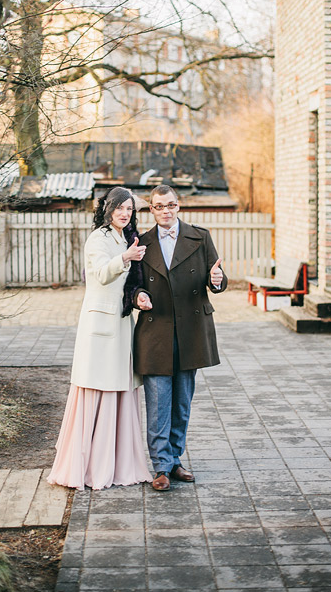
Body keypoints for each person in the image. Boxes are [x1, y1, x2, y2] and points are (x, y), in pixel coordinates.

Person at [48, 187, 153, 490]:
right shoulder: (99, 238)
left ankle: (120, 463)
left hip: (121, 324)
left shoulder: (126, 237)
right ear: (107, 209)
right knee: (99, 387)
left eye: (130, 209)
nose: (124, 213)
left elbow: (131, 282)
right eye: (119, 208)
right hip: (99, 326)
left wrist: (140, 295)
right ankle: (90, 466)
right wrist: (125, 257)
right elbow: (98, 274)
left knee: (120, 385)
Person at [131, 184, 228, 491]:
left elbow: (217, 278)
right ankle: (161, 466)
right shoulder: (142, 243)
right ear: (151, 209)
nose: (166, 211)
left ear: (179, 206)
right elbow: (132, 286)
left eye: (170, 205)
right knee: (158, 402)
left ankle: (175, 460)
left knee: (182, 403)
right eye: (159, 206)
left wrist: (218, 280)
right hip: (155, 331)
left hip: (191, 331)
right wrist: (138, 297)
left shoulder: (200, 237)